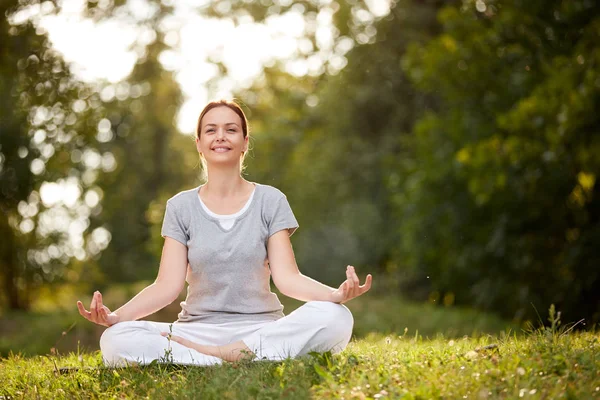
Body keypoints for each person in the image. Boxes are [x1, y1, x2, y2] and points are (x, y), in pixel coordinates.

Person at [77, 99, 373, 366]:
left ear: (245, 142)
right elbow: (166, 287)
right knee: (116, 338)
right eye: (211, 130)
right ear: (199, 143)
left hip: (260, 328)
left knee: (336, 317)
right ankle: (220, 358)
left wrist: (334, 295)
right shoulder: (180, 207)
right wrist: (117, 318)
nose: (220, 136)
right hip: (197, 330)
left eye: (230, 129)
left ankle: (223, 355)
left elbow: (288, 279)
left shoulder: (270, 200)